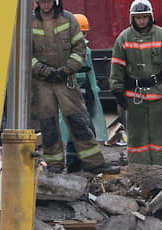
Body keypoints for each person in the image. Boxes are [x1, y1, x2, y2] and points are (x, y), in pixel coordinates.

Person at [32, 0, 116, 174]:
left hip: (66, 80)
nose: (45, 5)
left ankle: (93, 162)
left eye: (48, 1)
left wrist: (65, 70)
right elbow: (26, 54)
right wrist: (45, 71)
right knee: (48, 126)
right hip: (43, 82)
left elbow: (79, 50)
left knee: (78, 120)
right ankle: (54, 164)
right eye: (42, 1)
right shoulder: (30, 23)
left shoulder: (69, 20)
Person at [110, 0, 162, 166]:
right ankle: (137, 172)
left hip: (159, 95)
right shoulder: (124, 38)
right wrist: (117, 91)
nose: (141, 21)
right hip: (135, 98)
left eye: (144, 17)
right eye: (138, 17)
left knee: (158, 137)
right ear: (132, 18)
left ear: (150, 17)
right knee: (136, 138)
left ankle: (158, 170)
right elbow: (117, 67)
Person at [61, 13, 109, 172]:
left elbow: (90, 76)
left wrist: (92, 93)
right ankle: (77, 165)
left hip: (83, 98)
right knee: (76, 132)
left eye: (84, 33)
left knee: (87, 131)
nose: (81, 37)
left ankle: (84, 164)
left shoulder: (86, 50)